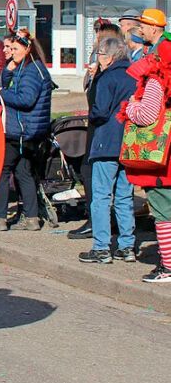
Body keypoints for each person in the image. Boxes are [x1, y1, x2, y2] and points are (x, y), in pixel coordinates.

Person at [78, 36, 137, 264]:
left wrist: (91, 113)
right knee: (124, 196)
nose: (98, 59)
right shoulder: (134, 75)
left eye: (100, 55)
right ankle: (127, 246)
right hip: (128, 142)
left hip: (106, 142)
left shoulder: (106, 77)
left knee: (101, 196)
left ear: (109, 56)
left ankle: (101, 247)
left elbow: (99, 111)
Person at [0, 31, 53, 232]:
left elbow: (25, 99)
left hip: (21, 130)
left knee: (2, 171)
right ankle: (31, 218)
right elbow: (10, 82)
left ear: (27, 49)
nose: (11, 52)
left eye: (15, 49)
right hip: (27, 130)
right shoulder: (26, 67)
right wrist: (9, 69)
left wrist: (1, 94)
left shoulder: (32, 71)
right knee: (23, 171)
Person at [71, 21, 124, 240]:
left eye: (96, 37)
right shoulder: (108, 68)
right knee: (116, 188)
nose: (93, 42)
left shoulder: (109, 72)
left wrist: (96, 77)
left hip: (104, 132)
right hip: (108, 130)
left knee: (97, 179)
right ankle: (122, 238)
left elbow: (99, 106)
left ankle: (100, 230)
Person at [124, 38, 171, 282]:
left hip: (161, 161)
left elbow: (147, 115)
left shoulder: (156, 79)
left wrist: (131, 107)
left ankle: (168, 266)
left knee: (164, 213)